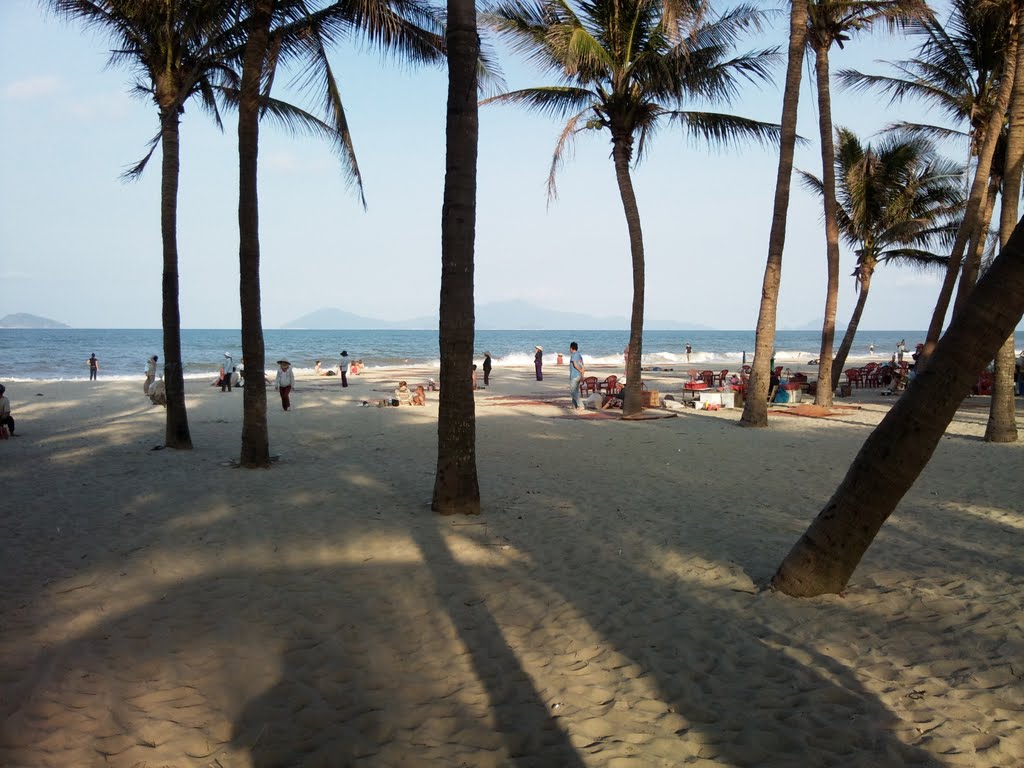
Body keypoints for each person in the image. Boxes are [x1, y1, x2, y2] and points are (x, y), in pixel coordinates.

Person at [568, 341, 584, 409]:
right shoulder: (579, 355)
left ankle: (581, 405)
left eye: (570, 348)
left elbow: (574, 364)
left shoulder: (574, 355)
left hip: (574, 375)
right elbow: (583, 366)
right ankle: (574, 405)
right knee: (575, 391)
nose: (569, 350)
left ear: (572, 348)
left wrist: (579, 370)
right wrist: (582, 374)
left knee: (573, 391)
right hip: (579, 375)